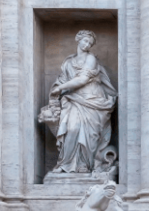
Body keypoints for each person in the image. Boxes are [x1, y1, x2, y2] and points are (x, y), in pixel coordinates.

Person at [44, 30, 117, 175]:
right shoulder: (68, 62)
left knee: (90, 134)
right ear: (78, 40)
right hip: (73, 100)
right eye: (85, 41)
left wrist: (60, 88)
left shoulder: (91, 59)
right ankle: (65, 164)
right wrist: (58, 89)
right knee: (71, 129)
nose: (87, 44)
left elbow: (83, 79)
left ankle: (84, 165)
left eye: (90, 43)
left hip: (92, 98)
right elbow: (63, 79)